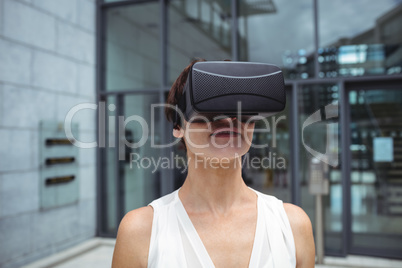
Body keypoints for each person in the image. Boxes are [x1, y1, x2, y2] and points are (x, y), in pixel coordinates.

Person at [112, 59, 315, 268]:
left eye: (243, 107)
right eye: (209, 106)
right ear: (177, 126)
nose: (228, 119)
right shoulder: (141, 232)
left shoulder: (292, 226)